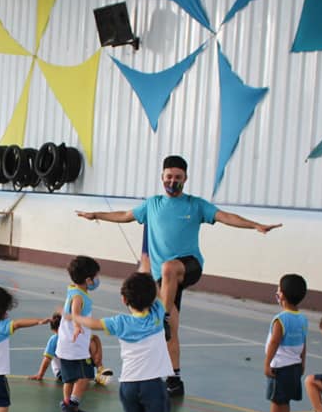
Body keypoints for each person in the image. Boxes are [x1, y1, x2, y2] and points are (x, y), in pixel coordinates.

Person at [76, 154, 282, 397]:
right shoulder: (151, 205)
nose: (173, 181)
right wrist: (96, 215)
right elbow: (124, 215)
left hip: (188, 266)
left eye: (178, 178)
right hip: (163, 281)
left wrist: (254, 225)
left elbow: (226, 217)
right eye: (169, 177)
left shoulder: (195, 205)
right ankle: (174, 379)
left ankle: (161, 316)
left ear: (185, 179)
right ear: (162, 177)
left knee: (168, 269)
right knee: (171, 329)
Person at [70, 272, 173, 412]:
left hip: (128, 385)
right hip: (151, 382)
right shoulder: (157, 314)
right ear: (153, 297)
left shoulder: (120, 322)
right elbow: (160, 294)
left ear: (124, 300)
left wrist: (74, 317)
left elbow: (94, 324)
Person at [252, 274, 308, 412]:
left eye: (278, 289)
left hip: (280, 367)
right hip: (295, 366)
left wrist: (267, 363)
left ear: (282, 295)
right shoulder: (302, 319)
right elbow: (303, 343)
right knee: (286, 400)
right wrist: (302, 363)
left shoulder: (280, 319)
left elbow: (275, 342)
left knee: (277, 401)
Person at [55, 255, 101, 412]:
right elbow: (75, 312)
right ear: (88, 280)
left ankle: (69, 406)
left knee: (69, 379)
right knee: (84, 377)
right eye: (96, 277)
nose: (97, 280)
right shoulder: (79, 297)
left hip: (66, 344)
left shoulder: (74, 289)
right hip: (75, 346)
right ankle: (70, 406)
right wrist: (76, 326)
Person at [29, 313, 114, 385]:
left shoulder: (74, 335)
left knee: (92, 341)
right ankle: (94, 376)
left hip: (77, 367)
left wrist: (98, 361)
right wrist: (40, 374)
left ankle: (99, 370)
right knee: (81, 379)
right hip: (63, 373)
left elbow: (94, 339)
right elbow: (47, 359)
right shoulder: (55, 339)